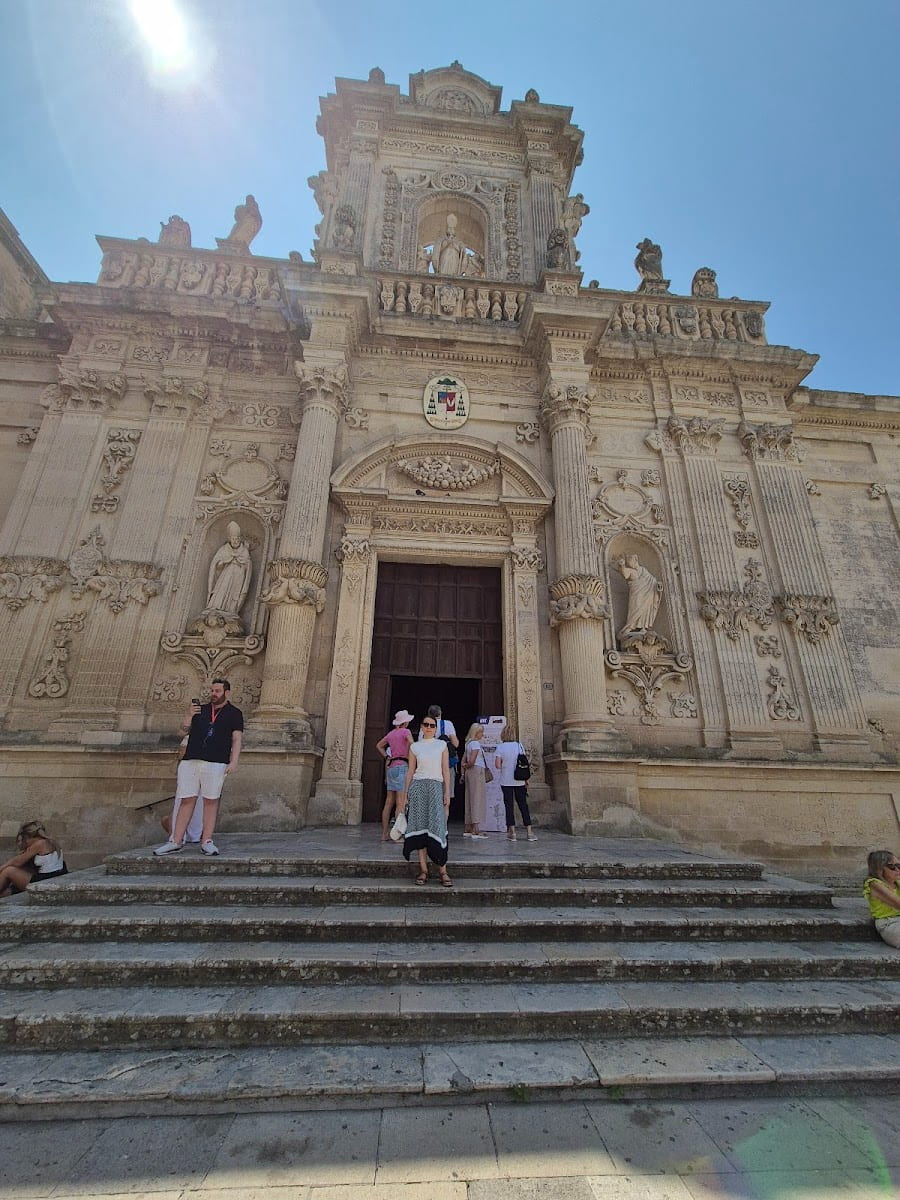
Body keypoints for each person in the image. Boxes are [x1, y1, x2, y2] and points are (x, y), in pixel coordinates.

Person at [154, 678, 243, 856]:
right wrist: (188, 715)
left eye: (217, 691)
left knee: (211, 801)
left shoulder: (234, 713)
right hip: (191, 760)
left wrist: (234, 761)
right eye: (212, 690)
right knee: (187, 799)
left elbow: (237, 738)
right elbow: (182, 732)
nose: (213, 694)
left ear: (227, 693)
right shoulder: (200, 710)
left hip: (216, 761)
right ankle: (176, 840)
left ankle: (207, 841)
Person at [402, 714, 452, 886]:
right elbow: (410, 771)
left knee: (438, 826)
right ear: (422, 727)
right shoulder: (415, 747)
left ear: (436, 728)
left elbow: (446, 770)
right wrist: (406, 794)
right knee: (420, 827)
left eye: (432, 725)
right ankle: (423, 870)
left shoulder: (442, 745)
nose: (429, 727)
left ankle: (443, 870)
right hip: (418, 787)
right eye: (426, 724)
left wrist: (447, 793)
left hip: (436, 788)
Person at [375, 709, 415, 841]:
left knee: (388, 802)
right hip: (402, 766)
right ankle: (397, 836)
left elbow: (379, 745)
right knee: (400, 803)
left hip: (391, 767)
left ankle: (384, 833)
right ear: (405, 722)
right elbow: (411, 742)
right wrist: (412, 752)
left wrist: (387, 756)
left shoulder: (391, 734)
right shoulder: (406, 732)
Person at [0, 821, 67, 897]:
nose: (25, 843)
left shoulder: (40, 843)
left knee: (8, 871)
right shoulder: (50, 841)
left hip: (46, 880)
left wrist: (2, 867)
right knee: (6, 892)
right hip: (54, 877)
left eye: (25, 840)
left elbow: (17, 862)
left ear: (28, 837)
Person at [494, 724, 537, 842]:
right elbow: (524, 764)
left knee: (509, 806)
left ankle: (512, 832)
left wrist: (505, 764)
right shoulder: (519, 746)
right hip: (519, 780)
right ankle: (529, 831)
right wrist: (526, 780)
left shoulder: (500, 747)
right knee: (523, 805)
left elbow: (497, 765)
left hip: (506, 781)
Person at [863, 850, 900, 948]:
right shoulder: (874, 884)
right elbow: (897, 903)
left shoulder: (897, 883)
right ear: (879, 868)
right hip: (889, 923)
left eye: (899, 866)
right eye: (892, 867)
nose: (897, 870)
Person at [462, 722, 489, 839]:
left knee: (469, 798)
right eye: (481, 732)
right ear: (476, 733)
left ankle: (468, 827)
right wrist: (468, 765)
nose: (482, 734)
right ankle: (476, 829)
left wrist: (465, 767)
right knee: (477, 798)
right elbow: (471, 761)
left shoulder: (468, 744)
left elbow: (464, 760)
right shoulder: (476, 745)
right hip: (476, 771)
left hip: (469, 773)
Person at [428, 704, 459, 796]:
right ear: (440, 713)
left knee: (433, 795)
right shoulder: (448, 724)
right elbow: (456, 744)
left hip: (431, 764)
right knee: (446, 795)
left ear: (429, 715)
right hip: (447, 763)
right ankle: (445, 811)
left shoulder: (426, 726)